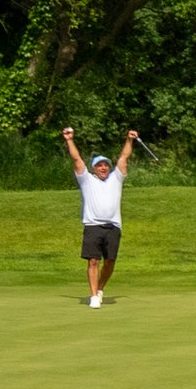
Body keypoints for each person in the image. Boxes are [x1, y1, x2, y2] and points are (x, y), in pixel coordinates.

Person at [61, 126, 138, 308]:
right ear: (94, 168)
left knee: (110, 262)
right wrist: (69, 140)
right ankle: (94, 296)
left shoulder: (116, 178)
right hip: (92, 226)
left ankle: (100, 288)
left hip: (113, 226)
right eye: (99, 165)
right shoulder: (86, 179)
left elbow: (124, 157)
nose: (103, 168)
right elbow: (77, 159)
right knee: (93, 261)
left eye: (105, 165)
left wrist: (129, 140)